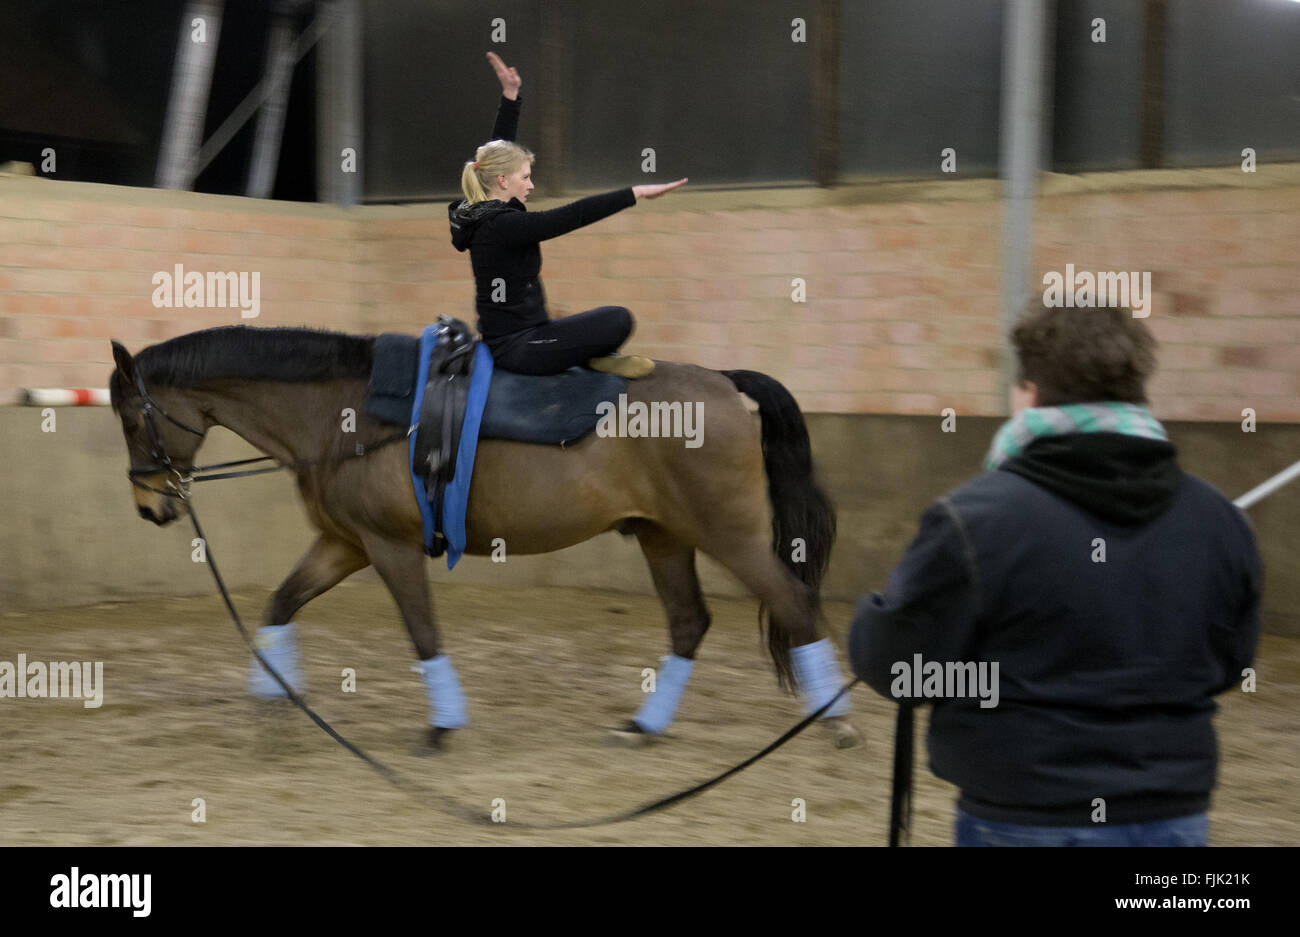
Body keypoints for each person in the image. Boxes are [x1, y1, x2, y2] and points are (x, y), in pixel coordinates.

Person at [848, 302, 1261, 846]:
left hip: (1023, 815)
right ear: (1138, 387)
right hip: (1172, 814)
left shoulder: (975, 519)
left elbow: (902, 670)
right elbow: (1229, 665)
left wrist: (883, 618)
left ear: (1029, 390)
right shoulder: (1219, 521)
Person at [448, 52, 686, 378]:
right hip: (519, 347)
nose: (531, 185)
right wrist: (635, 193)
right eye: (526, 177)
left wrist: (511, 97)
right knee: (619, 319)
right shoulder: (501, 225)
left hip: (529, 334)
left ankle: (591, 355)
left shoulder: (479, 212)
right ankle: (591, 356)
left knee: (607, 318)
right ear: (503, 181)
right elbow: (570, 215)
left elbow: (494, 156)